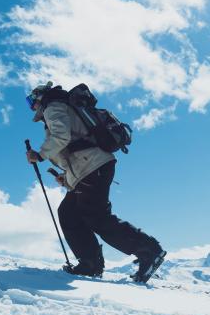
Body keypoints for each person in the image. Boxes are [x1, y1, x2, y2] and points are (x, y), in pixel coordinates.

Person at [25, 82, 166, 282]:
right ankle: (90, 263)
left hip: (92, 167)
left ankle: (149, 251)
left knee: (97, 217)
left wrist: (39, 155)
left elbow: (61, 137)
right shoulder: (62, 108)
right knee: (69, 213)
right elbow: (74, 149)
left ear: (40, 97)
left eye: (31, 100)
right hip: (90, 168)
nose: (31, 106)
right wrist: (66, 179)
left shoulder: (53, 106)